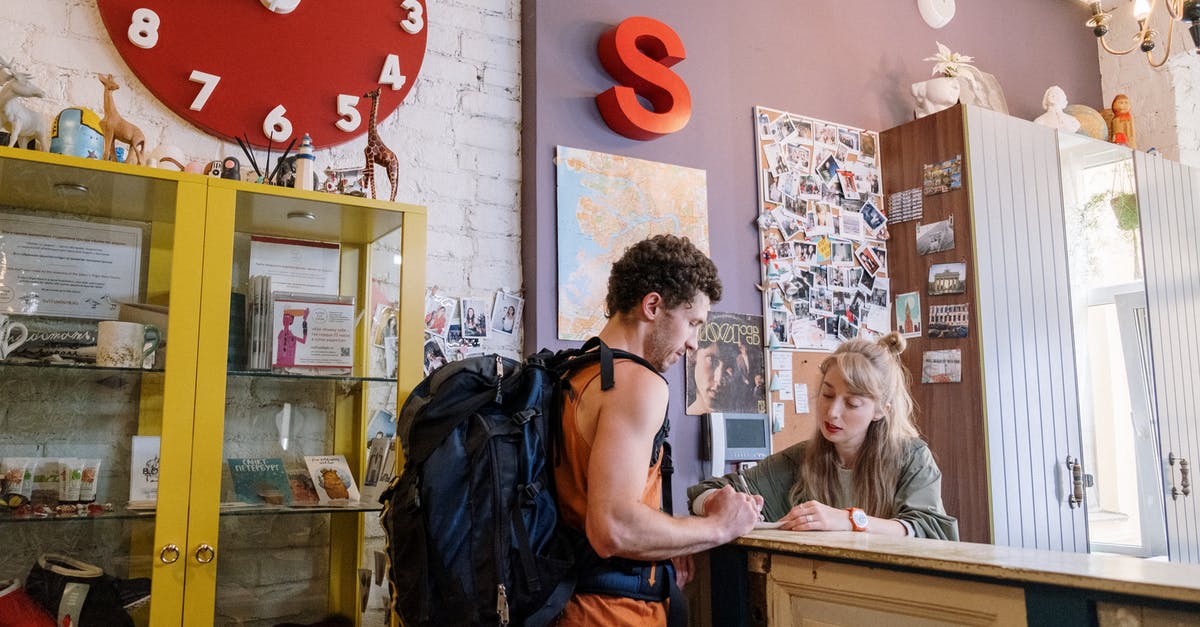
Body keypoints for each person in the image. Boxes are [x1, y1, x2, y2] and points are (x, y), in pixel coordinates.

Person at [554, 234, 762, 626]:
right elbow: (612, 527)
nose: (692, 343)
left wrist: (669, 541)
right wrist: (717, 527)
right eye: (692, 323)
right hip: (614, 614)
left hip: (568, 608)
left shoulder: (575, 372)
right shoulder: (636, 383)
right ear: (653, 306)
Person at [687, 333, 958, 540]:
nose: (832, 412)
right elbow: (702, 492)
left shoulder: (912, 457)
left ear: (880, 411)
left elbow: (931, 531)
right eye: (827, 395)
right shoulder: (798, 460)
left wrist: (849, 521)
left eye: (851, 403)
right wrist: (722, 504)